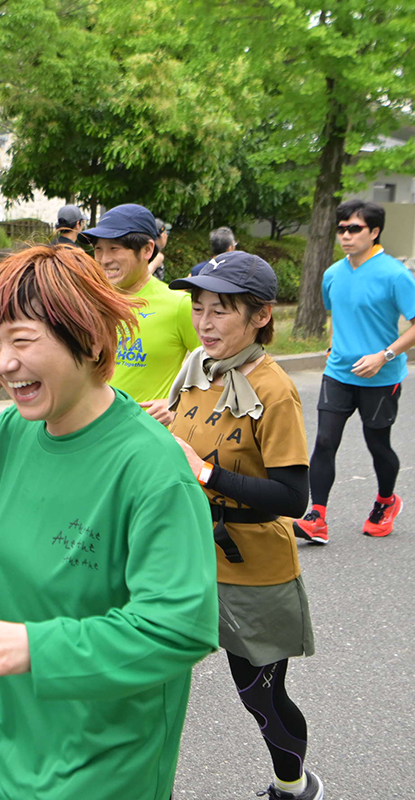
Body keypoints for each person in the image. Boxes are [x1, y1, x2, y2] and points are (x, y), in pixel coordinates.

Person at [0, 245, 218, 800]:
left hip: (94, 770)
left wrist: (37, 648)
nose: (3, 363)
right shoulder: (13, 429)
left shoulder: (151, 468)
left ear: (89, 339)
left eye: (23, 340)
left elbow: (180, 626)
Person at [165, 253, 323, 800]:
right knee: (150, 678)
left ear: (259, 316)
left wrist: (204, 470)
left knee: (259, 695)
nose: (204, 322)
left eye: (221, 311)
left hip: (251, 568)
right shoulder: (197, 367)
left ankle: (293, 785)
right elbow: (187, 429)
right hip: (183, 556)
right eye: (198, 307)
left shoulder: (275, 389)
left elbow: (292, 499)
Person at [293, 199, 415, 543]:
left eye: (354, 228)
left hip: (382, 377)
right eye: (341, 228)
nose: (345, 235)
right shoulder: (332, 274)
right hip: (338, 374)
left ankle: (386, 502)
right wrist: (335, 346)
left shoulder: (395, 274)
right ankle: (317, 517)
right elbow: (338, 315)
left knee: (378, 445)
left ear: (374, 232)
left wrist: (384, 355)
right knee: (325, 440)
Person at [82, 203, 200, 418]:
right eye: (98, 249)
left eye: (114, 248)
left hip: (146, 441)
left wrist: (179, 403)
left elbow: (222, 370)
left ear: (147, 250)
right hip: (92, 436)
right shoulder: (88, 302)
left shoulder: (179, 305)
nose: (104, 259)